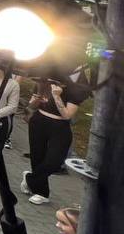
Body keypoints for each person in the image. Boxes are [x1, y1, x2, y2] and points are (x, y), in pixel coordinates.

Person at [24, 73, 87, 205]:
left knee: (54, 161)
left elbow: (67, 115)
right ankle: (42, 193)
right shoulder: (48, 75)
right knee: (37, 157)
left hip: (60, 126)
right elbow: (32, 102)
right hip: (38, 121)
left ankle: (30, 178)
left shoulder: (79, 85)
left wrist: (57, 96)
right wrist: (37, 97)